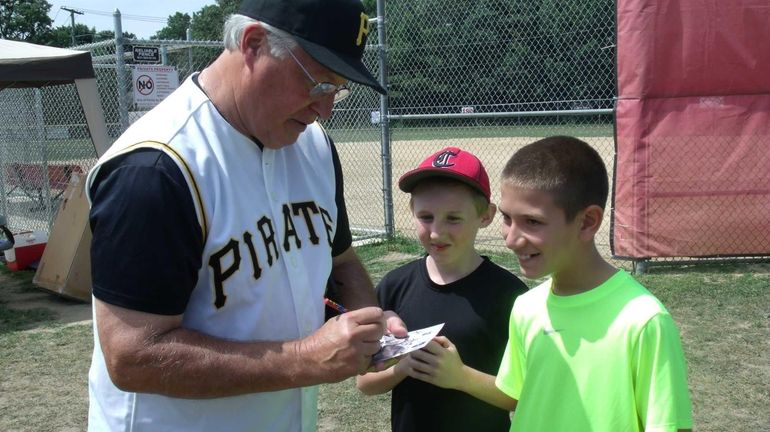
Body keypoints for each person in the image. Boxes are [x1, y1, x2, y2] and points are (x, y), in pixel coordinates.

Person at [85, 0, 406, 430]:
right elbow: (132, 356)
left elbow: (340, 260)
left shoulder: (314, 148)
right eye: (318, 83)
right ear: (253, 44)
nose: (325, 109)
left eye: (337, 88)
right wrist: (303, 359)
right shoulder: (157, 168)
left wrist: (371, 327)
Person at [495, 136, 693, 431]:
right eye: (507, 218)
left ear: (588, 222)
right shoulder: (526, 307)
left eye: (532, 222)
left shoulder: (643, 320)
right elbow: (519, 396)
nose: (511, 239)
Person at [356, 147, 526, 431]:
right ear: (411, 211)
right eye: (426, 217)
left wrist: (460, 377)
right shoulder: (395, 286)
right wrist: (402, 368)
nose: (436, 232)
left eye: (453, 218)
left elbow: (523, 396)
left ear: (485, 215)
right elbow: (364, 383)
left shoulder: (510, 296)